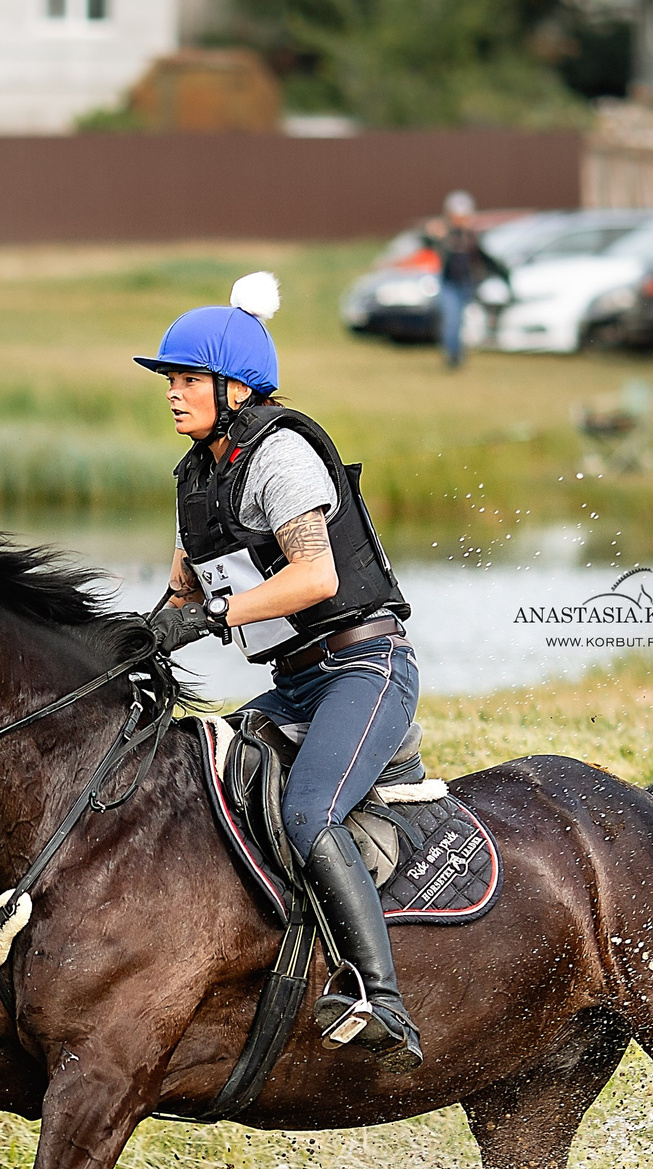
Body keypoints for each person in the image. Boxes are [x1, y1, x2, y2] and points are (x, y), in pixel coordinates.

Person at [138, 272, 425, 1071]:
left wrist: (213, 618)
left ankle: (379, 994)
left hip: (364, 669)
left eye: (187, 378)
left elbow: (316, 578)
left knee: (308, 813)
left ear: (236, 388)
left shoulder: (282, 454)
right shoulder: (198, 477)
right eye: (169, 378)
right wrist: (136, 644)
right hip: (296, 679)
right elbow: (180, 592)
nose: (172, 393)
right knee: (200, 779)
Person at [422, 191, 505, 372]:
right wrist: (433, 233)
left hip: (466, 284)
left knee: (460, 321)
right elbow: (426, 241)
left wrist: (502, 273)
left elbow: (483, 258)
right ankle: (451, 355)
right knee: (451, 319)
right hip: (449, 283)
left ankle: (457, 353)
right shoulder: (444, 235)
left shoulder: (471, 237)